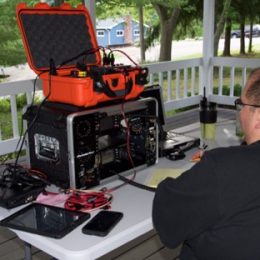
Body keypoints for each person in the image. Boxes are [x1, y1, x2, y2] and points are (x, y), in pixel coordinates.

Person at [152, 68, 260, 260]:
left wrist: (206, 173)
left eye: (240, 104)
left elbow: (168, 220)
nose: (240, 112)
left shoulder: (222, 169)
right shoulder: (226, 167)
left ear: (258, 117)